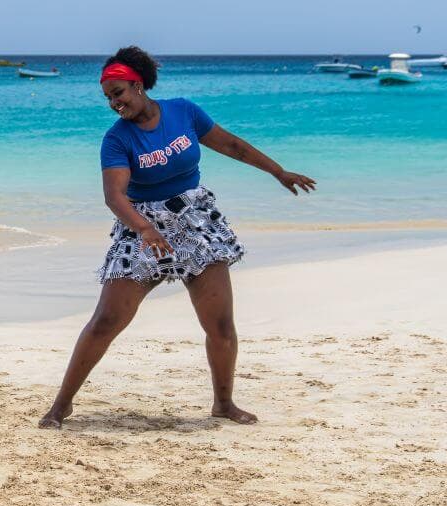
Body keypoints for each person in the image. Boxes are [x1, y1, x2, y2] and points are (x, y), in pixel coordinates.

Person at [39, 46, 315, 430]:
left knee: (220, 324)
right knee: (106, 321)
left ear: (137, 85)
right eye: (108, 98)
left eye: (117, 93)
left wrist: (277, 171)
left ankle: (224, 404)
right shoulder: (117, 139)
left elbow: (232, 145)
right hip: (142, 227)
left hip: (195, 220)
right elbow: (114, 196)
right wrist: (145, 228)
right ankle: (61, 406)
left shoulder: (183, 111)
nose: (113, 103)